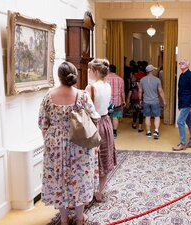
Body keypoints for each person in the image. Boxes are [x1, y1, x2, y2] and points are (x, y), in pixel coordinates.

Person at [38, 61, 100, 225]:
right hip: (79, 142)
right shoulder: (82, 96)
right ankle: (80, 219)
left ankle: (64, 220)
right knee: (79, 179)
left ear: (59, 77)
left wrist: (52, 139)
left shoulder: (48, 97)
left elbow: (43, 123)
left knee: (59, 180)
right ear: (75, 76)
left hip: (55, 143)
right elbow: (95, 117)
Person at [85, 58, 116, 202]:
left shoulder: (91, 87)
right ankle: (99, 192)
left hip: (94, 124)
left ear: (96, 71)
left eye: (90, 70)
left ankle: (89, 192)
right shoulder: (107, 86)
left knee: (91, 159)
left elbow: (87, 110)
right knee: (104, 157)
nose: (89, 72)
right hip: (106, 123)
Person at [172, 59, 191, 151]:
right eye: (180, 63)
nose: (181, 64)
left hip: (188, 103)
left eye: (183, 63)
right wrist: (179, 105)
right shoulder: (181, 75)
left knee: (180, 121)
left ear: (188, 64)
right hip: (183, 103)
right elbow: (180, 91)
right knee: (190, 123)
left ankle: (182, 144)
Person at [138, 64, 166, 139]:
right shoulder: (157, 80)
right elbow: (160, 91)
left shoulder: (142, 80)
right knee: (157, 116)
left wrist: (140, 100)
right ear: (152, 71)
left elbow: (140, 91)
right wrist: (164, 101)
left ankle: (148, 132)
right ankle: (156, 131)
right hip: (155, 101)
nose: (154, 71)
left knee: (147, 116)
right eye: (154, 70)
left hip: (146, 101)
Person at [106, 64, 125, 138]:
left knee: (107, 117)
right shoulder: (120, 79)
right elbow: (122, 92)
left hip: (107, 101)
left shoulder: (105, 79)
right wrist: (124, 101)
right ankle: (114, 133)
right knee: (115, 117)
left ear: (109, 70)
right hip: (117, 101)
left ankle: (108, 132)